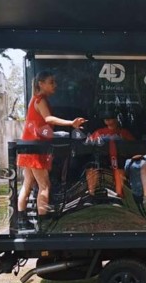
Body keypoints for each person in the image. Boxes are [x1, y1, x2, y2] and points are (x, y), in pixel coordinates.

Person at [16, 71, 86, 230]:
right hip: (36, 148)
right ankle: (43, 222)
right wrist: (71, 123)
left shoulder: (34, 99)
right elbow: (48, 119)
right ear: (41, 84)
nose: (55, 85)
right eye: (51, 82)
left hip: (29, 146)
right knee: (44, 185)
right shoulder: (40, 100)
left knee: (28, 183)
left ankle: (21, 220)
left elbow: (40, 124)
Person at [84, 109, 135, 198]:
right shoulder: (99, 132)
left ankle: (119, 193)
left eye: (110, 117)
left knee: (120, 166)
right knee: (91, 165)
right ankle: (91, 193)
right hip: (102, 158)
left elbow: (133, 147)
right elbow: (89, 144)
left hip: (119, 159)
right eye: (105, 118)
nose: (107, 120)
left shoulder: (123, 132)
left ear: (116, 119)